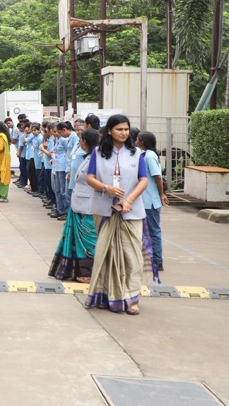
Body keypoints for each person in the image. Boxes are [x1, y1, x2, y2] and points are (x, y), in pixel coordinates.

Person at [84, 114, 154, 315]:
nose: (123, 133)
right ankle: (105, 295)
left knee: (131, 256)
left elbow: (143, 180)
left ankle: (131, 298)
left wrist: (128, 200)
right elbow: (90, 178)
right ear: (109, 131)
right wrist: (107, 188)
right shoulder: (98, 153)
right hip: (104, 210)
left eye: (126, 129)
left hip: (130, 211)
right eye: (119, 129)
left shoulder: (136, 153)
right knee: (106, 254)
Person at [48, 129, 99, 282]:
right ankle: (78, 270)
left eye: (81, 138)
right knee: (78, 242)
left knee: (88, 241)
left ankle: (88, 273)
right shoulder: (87, 156)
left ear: (85, 141)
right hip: (79, 203)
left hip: (89, 205)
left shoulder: (97, 159)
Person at [137, 131, 169, 272]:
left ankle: (157, 261)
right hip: (145, 200)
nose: (136, 142)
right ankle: (149, 258)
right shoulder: (144, 155)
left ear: (142, 142)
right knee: (146, 231)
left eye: (138, 140)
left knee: (153, 231)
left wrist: (161, 194)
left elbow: (157, 177)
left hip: (150, 201)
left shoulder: (150, 156)